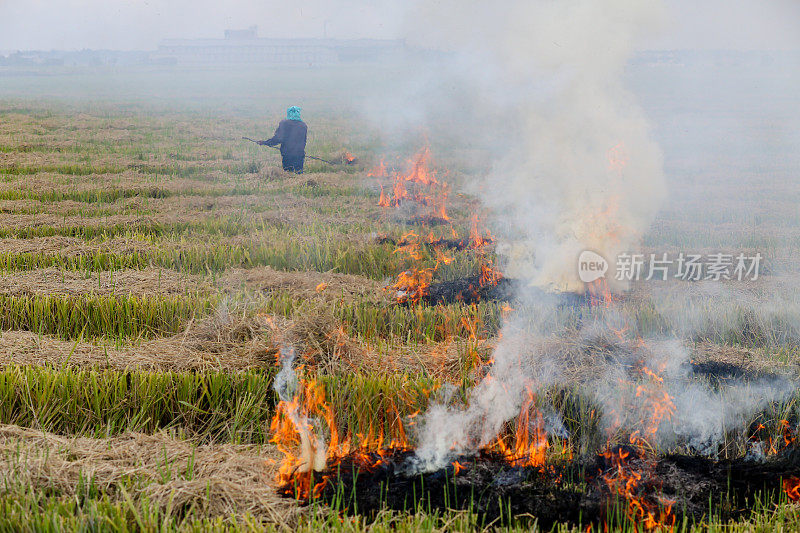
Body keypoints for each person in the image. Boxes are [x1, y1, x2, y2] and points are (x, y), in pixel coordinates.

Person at [259, 106, 307, 173]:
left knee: (288, 174)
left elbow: (278, 138)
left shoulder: (284, 123)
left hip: (287, 154)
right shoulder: (303, 125)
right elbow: (304, 141)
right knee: (298, 175)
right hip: (299, 154)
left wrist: (265, 142)